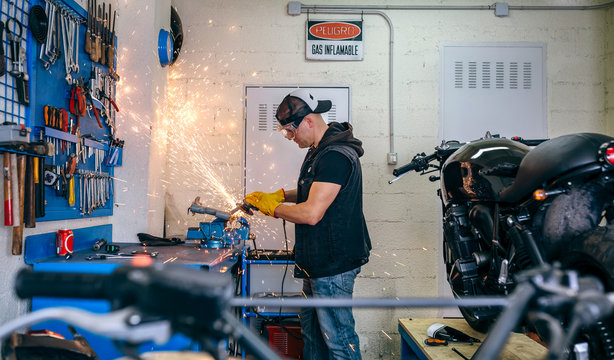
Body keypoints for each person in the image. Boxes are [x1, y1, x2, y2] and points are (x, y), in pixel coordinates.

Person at [245, 89, 372, 360]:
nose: (290, 138)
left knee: (338, 341)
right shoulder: (319, 150)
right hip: (317, 261)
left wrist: (275, 208)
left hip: (333, 265)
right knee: (313, 337)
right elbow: (313, 189)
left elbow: (312, 212)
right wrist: (280, 195)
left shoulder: (335, 155)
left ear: (309, 121)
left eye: (291, 132)